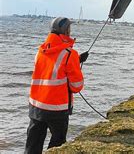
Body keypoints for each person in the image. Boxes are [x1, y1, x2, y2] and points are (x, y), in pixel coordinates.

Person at [25, 17, 89, 153]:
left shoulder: (40, 51)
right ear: (66, 31)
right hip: (57, 108)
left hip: (36, 105)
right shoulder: (69, 54)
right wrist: (75, 63)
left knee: (33, 143)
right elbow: (76, 86)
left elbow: (51, 67)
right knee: (58, 145)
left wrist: (76, 61)